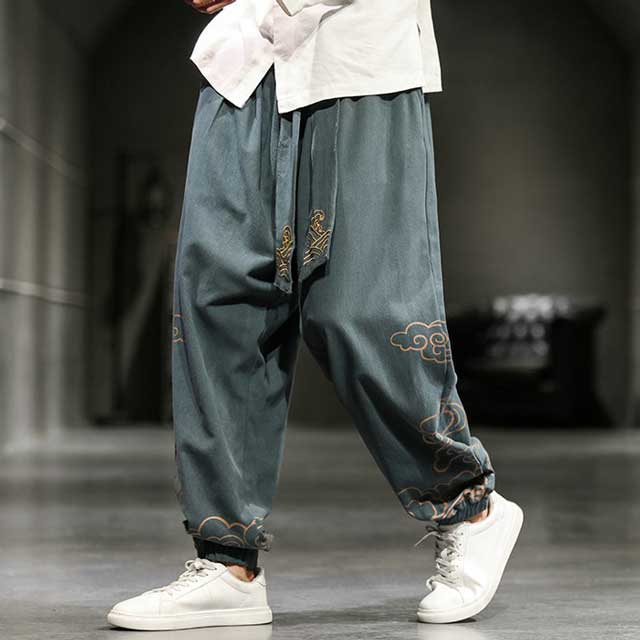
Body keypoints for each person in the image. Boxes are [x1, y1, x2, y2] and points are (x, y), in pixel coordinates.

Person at [107, 0, 524, 630]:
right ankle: (228, 563)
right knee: (218, 308)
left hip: (357, 59)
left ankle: (469, 509)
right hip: (246, 66)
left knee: (361, 310)